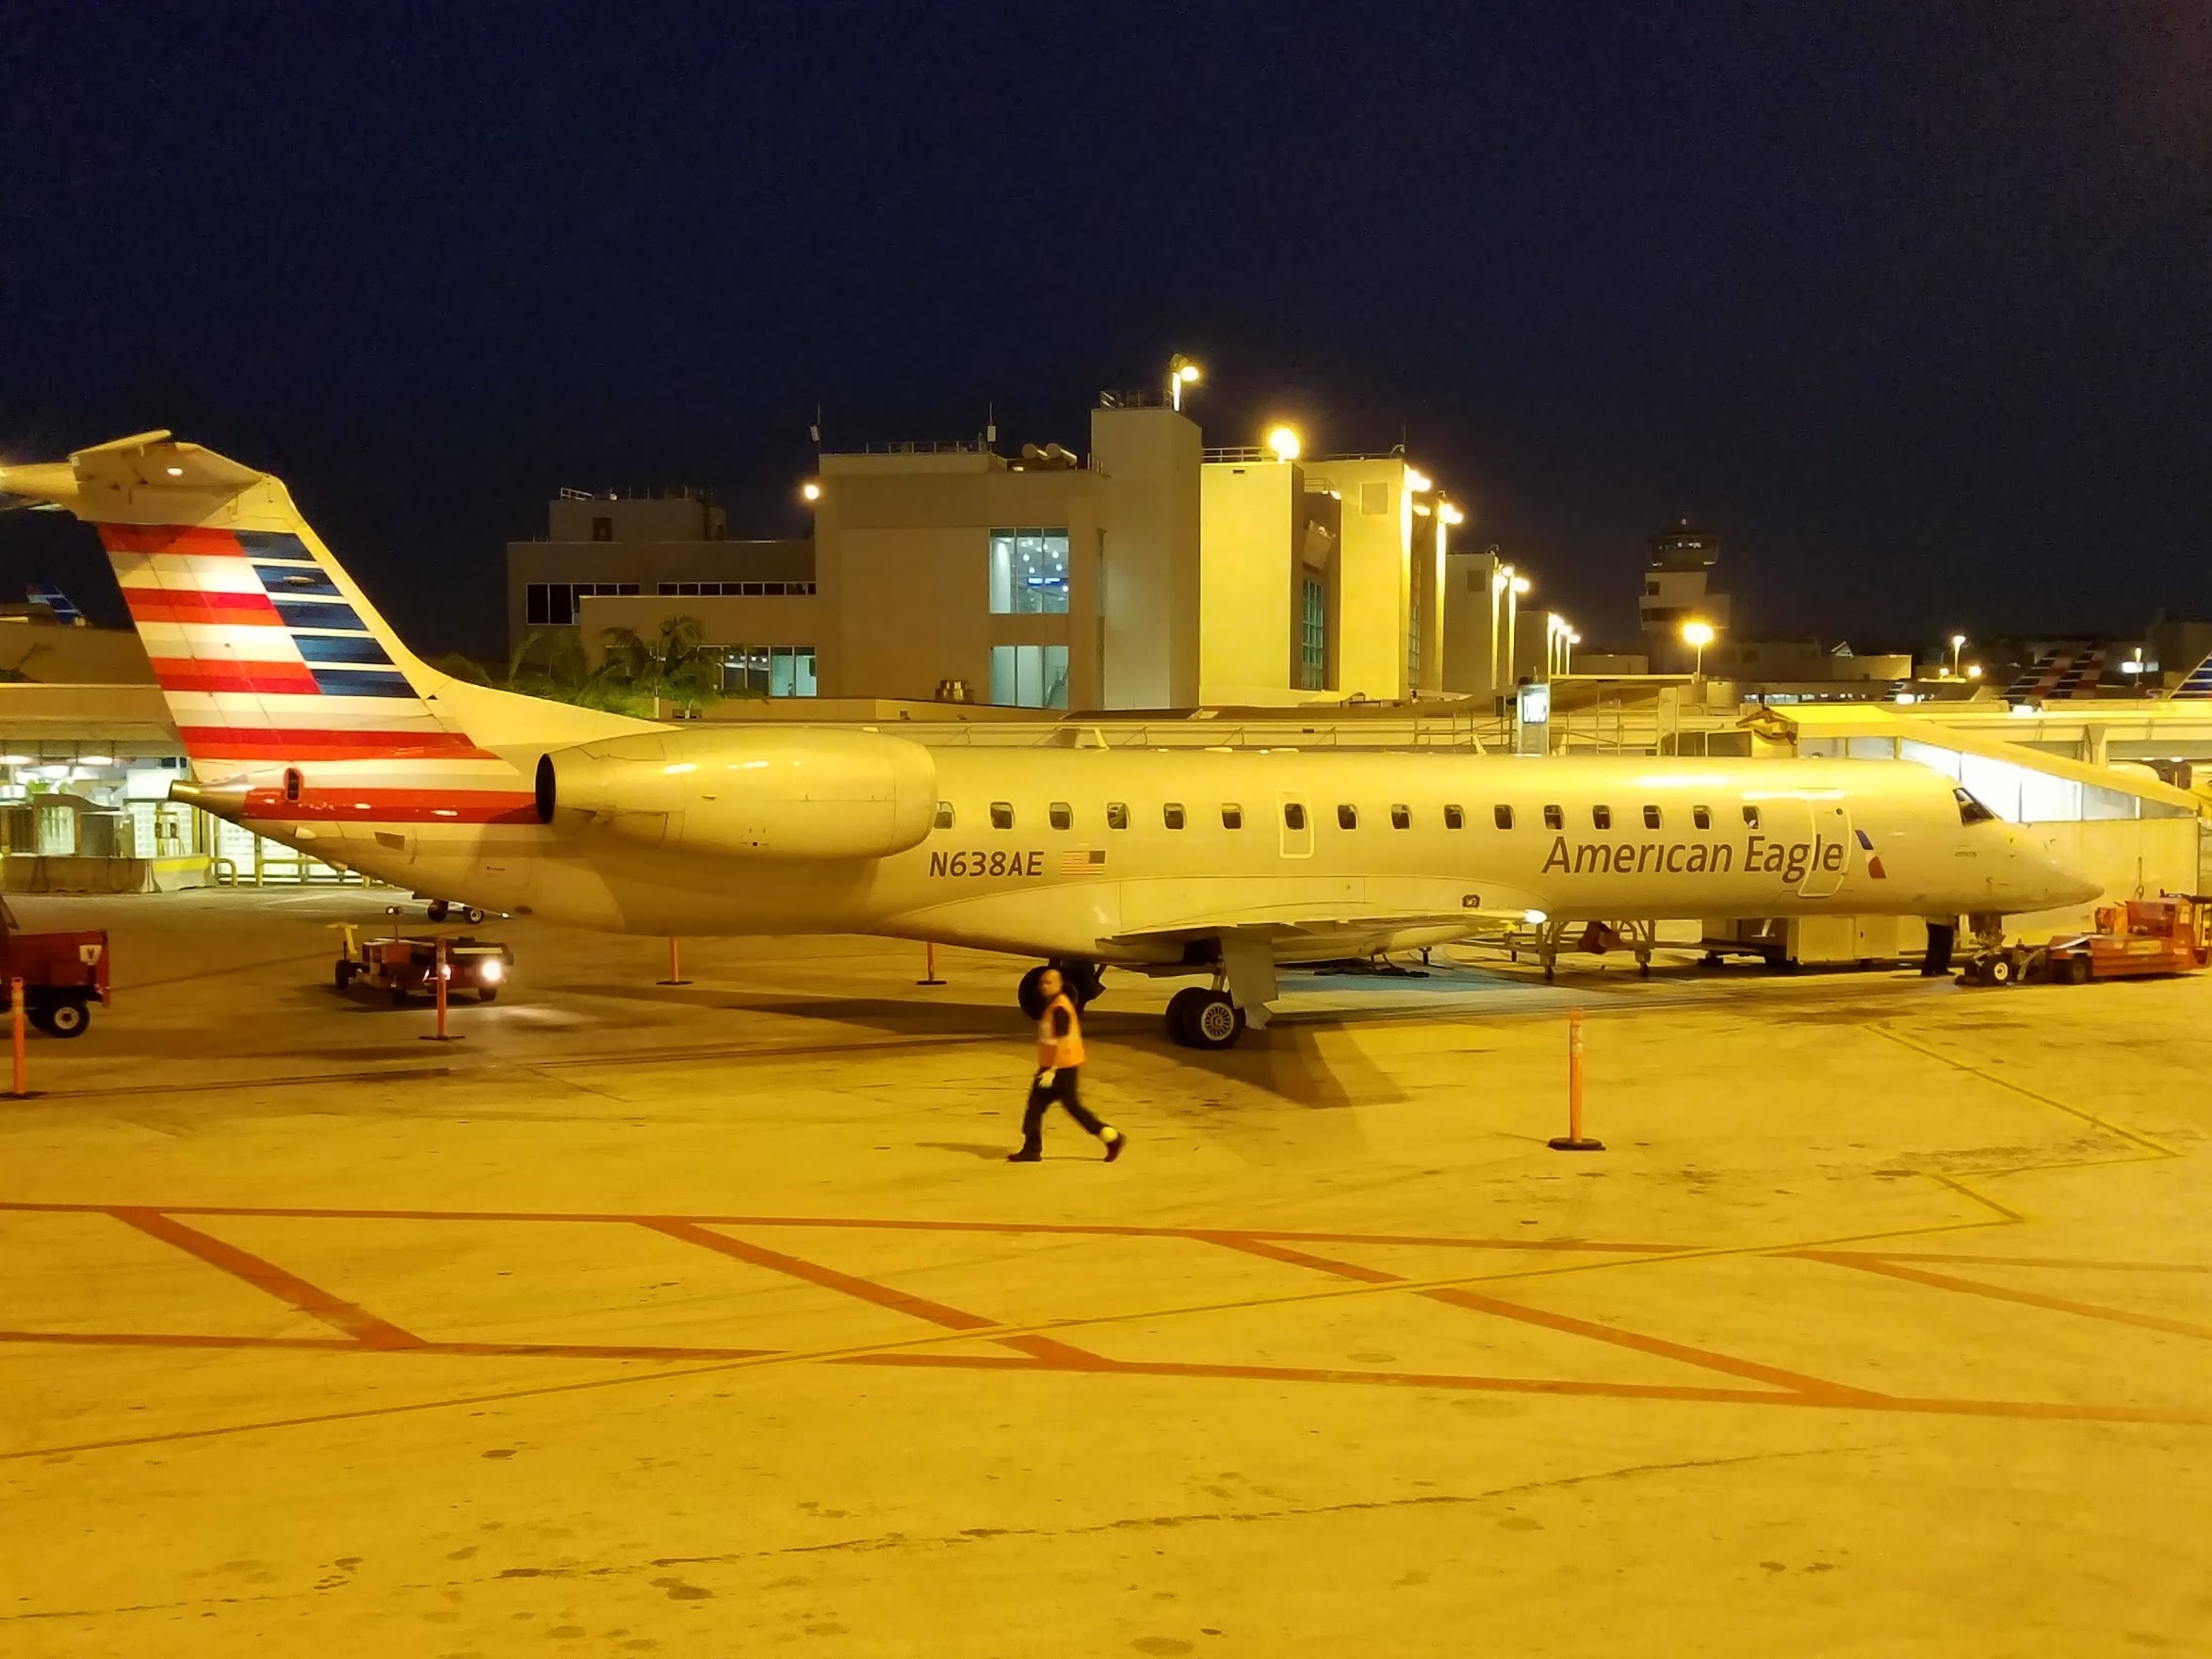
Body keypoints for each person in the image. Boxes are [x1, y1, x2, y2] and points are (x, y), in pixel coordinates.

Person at [1007, 967, 1125, 1163]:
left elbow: (1062, 1041)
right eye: (1042, 983)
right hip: (1057, 1067)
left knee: (1051, 1109)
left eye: (1049, 983)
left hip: (1060, 1069)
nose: (1044, 987)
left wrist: (1052, 1071)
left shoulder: (1059, 1008)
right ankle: (1110, 1137)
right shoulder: (1054, 1005)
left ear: (1059, 985)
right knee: (1052, 1109)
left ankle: (1033, 1149)